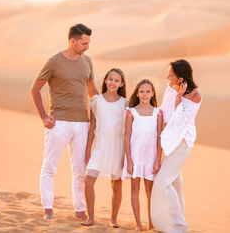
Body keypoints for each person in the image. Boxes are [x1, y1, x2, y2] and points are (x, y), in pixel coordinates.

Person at [30, 23, 99, 221]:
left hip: (82, 124)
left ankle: (79, 210)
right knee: (50, 167)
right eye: (84, 43)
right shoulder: (54, 62)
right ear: (73, 41)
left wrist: (106, 105)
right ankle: (48, 208)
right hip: (58, 122)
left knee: (80, 170)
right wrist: (44, 116)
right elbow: (35, 89)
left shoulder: (87, 61)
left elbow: (92, 91)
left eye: (88, 43)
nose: (87, 46)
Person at [151, 59, 202, 233]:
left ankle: (176, 226)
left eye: (171, 75)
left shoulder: (195, 95)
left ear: (181, 78)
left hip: (182, 143)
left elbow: (180, 122)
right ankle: (176, 224)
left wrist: (179, 97)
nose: (167, 77)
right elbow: (164, 114)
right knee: (176, 183)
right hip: (169, 141)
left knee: (162, 183)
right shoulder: (170, 89)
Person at [81, 68, 128, 227]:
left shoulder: (125, 103)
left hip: (117, 148)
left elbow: (128, 131)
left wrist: (126, 155)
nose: (113, 83)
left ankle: (113, 219)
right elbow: (92, 126)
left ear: (121, 84)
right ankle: (90, 217)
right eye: (110, 79)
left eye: (116, 80)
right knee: (88, 180)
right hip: (99, 147)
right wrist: (88, 151)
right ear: (105, 81)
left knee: (116, 185)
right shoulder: (96, 101)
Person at [122, 79, 163, 231]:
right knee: (134, 188)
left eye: (148, 91)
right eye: (142, 91)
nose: (145, 94)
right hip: (135, 156)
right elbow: (126, 136)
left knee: (149, 190)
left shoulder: (158, 113)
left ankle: (151, 223)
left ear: (152, 93)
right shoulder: (131, 112)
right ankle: (139, 224)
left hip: (151, 157)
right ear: (137, 94)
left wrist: (158, 159)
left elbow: (160, 137)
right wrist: (129, 161)